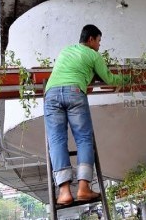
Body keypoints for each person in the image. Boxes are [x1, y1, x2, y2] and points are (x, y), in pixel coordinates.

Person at [44, 24, 130, 205]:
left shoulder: (65, 51)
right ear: (91, 39)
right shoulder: (93, 55)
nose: (99, 46)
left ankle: (64, 192)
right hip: (74, 92)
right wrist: (130, 79)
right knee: (83, 139)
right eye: (99, 41)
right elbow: (110, 79)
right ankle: (83, 188)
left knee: (56, 140)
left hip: (51, 94)